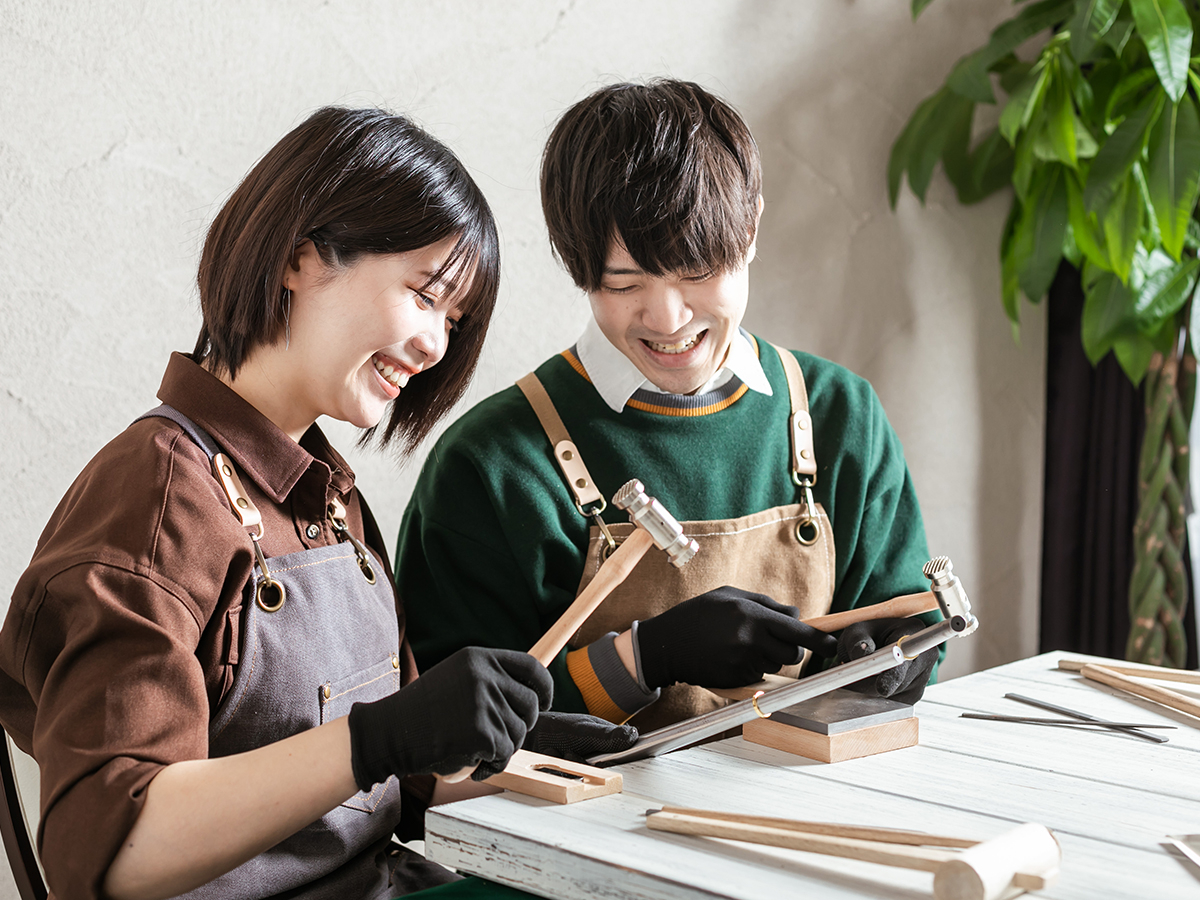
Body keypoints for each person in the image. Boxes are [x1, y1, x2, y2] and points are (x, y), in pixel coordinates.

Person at [0, 106, 634, 900]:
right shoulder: (158, 499)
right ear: (302, 257)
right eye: (424, 295)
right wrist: (379, 738)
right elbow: (110, 854)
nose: (438, 346)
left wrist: (526, 758)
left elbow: (392, 794)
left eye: (454, 320)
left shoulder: (331, 501)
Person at [396, 80, 941, 735]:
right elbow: (445, 743)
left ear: (751, 228)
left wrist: (891, 661)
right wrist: (642, 661)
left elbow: (907, 616)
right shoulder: (490, 468)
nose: (669, 318)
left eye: (697, 272)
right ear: (576, 265)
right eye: (625, 283)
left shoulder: (838, 417)